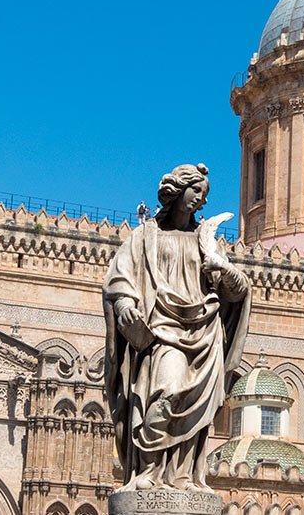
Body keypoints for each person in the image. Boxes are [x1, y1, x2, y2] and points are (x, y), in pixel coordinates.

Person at [104, 164, 250, 492]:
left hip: (205, 333)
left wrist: (223, 268)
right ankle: (149, 472)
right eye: (196, 191)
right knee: (165, 394)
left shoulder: (207, 239)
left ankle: (183, 476)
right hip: (162, 332)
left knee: (194, 411)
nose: (201, 200)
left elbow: (238, 291)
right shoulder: (144, 237)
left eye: (205, 195)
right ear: (177, 190)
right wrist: (126, 306)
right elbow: (120, 278)